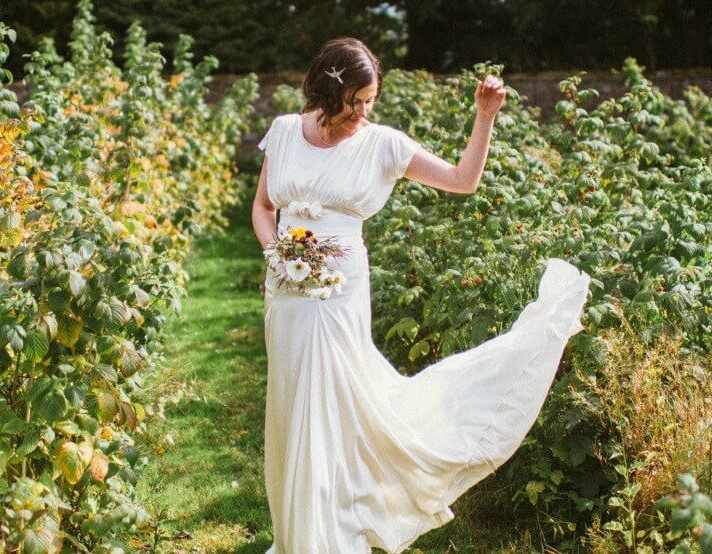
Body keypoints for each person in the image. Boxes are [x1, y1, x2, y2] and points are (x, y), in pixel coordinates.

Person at [250, 36, 591, 553]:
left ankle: (330, 530)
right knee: (291, 404)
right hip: (285, 291)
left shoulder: (382, 143)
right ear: (327, 87)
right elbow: (262, 207)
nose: (363, 110)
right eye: (355, 100)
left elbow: (462, 180)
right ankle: (298, 530)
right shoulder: (283, 132)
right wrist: (277, 253)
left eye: (370, 100)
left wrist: (485, 116)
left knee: (335, 402)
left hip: (339, 291)